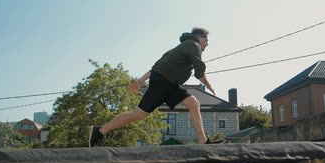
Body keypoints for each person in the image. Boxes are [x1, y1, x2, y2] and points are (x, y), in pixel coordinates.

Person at [89, 27, 225, 147]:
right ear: (199, 38)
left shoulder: (178, 49)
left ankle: (203, 141)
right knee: (139, 114)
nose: (207, 44)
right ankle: (100, 131)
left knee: (193, 103)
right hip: (162, 83)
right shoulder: (193, 44)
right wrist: (210, 86)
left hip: (170, 85)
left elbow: (155, 67)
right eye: (206, 40)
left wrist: (139, 81)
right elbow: (199, 71)